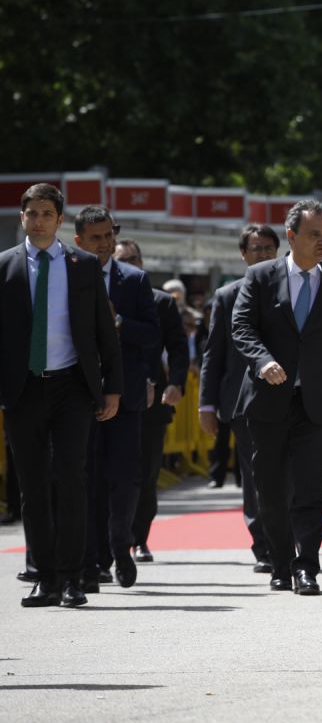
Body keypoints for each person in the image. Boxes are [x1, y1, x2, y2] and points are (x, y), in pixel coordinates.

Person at [1, 183, 123, 608]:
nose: (37, 221)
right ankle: (44, 576)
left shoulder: (83, 265)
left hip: (72, 386)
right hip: (24, 389)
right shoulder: (6, 266)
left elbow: (104, 333)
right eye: (31, 213)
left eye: (46, 214)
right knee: (32, 489)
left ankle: (73, 577)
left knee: (70, 480)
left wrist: (112, 388)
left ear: (59, 219)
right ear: (22, 217)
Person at [231, 200, 322, 596]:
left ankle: (308, 567)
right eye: (314, 234)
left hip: (316, 404)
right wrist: (263, 361)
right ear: (291, 236)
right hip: (268, 401)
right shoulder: (261, 276)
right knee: (269, 489)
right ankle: (280, 562)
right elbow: (242, 327)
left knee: (310, 489)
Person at [74, 206, 160, 592]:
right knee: (86, 479)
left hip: (125, 397)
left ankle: (120, 544)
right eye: (96, 237)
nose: (105, 243)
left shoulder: (135, 280)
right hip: (80, 394)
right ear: (79, 241)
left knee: (125, 479)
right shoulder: (68, 275)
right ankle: (92, 560)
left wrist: (119, 322)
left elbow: (152, 336)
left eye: (109, 235)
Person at [198, 224, 279, 574]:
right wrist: (207, 404)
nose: (261, 254)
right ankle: (264, 544)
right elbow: (213, 353)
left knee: (288, 472)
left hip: (288, 394)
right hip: (242, 403)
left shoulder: (292, 289)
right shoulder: (227, 295)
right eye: (255, 248)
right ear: (243, 254)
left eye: (267, 248)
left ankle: (286, 536)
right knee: (255, 474)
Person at [112, 239, 188, 565]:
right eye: (122, 260)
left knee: (145, 475)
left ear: (142, 263)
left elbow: (178, 345)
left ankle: (139, 538)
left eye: (133, 259)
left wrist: (176, 384)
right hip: (110, 397)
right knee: (112, 473)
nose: (129, 264)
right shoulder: (102, 297)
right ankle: (111, 539)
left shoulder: (161, 302)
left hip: (152, 402)